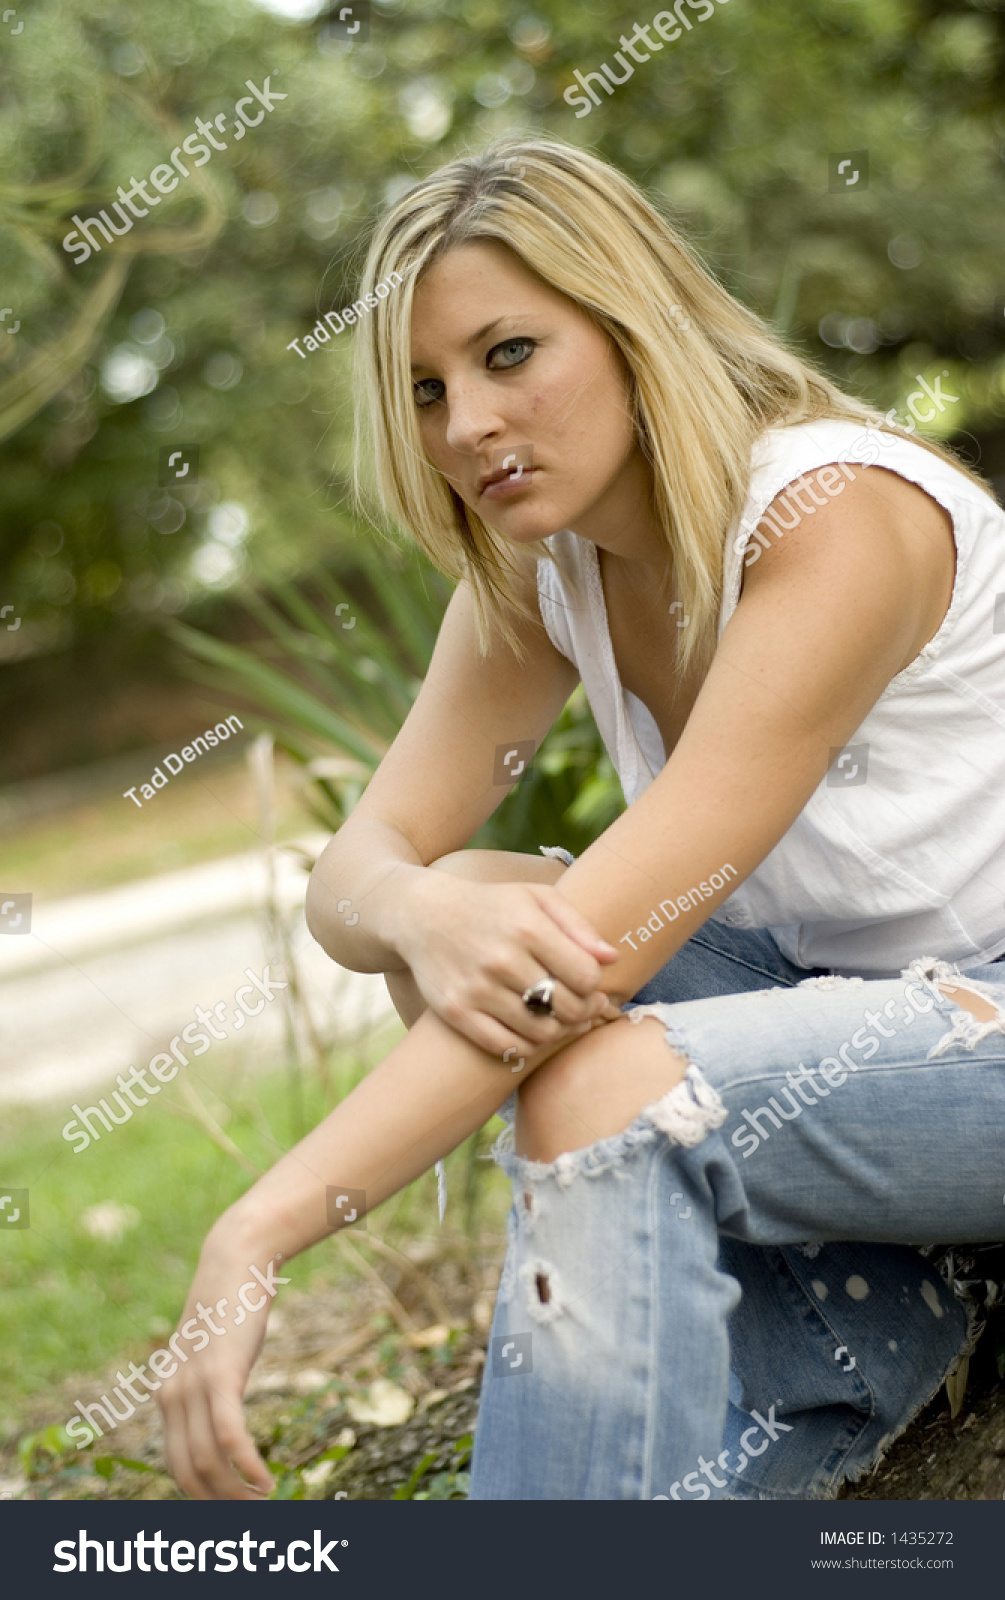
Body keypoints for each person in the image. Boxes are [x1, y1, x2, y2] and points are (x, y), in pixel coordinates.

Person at [156, 137, 1005, 1501]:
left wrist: (259, 1229)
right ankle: (849, 1338)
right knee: (479, 902)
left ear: (630, 321)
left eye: (507, 355)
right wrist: (423, 908)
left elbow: (591, 958)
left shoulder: (834, 518)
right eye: (426, 390)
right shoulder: (548, 571)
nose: (466, 428)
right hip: (841, 1021)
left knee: (600, 1074)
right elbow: (357, 880)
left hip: (980, 1032)